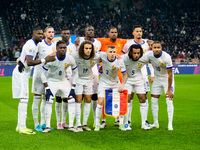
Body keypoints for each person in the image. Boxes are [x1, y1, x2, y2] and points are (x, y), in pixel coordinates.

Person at [12, 27, 55, 135]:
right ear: (33, 35)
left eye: (41, 34)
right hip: (21, 73)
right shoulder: (31, 45)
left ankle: (19, 125)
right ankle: (22, 127)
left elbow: (25, 58)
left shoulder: (33, 44)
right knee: (24, 99)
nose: (40, 35)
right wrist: (46, 59)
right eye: (38, 34)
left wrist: (20, 59)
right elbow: (30, 62)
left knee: (24, 99)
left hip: (24, 73)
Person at [41, 40, 79, 133]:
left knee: (72, 99)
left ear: (66, 49)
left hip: (63, 81)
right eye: (60, 48)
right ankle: (48, 126)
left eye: (64, 48)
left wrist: (73, 87)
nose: (62, 49)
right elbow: (42, 74)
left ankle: (71, 126)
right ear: (56, 49)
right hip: (52, 81)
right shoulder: (51, 58)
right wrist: (47, 88)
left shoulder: (69, 58)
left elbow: (76, 72)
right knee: (49, 100)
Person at [122, 25, 154, 127]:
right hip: (129, 75)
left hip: (143, 75)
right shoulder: (128, 44)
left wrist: (152, 74)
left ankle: (144, 121)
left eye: (140, 31)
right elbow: (121, 58)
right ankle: (128, 121)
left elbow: (151, 61)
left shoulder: (147, 45)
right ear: (133, 33)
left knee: (144, 97)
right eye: (137, 31)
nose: (139, 33)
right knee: (129, 98)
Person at [97, 27, 127, 128]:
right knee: (101, 101)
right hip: (104, 81)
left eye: (114, 52)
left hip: (116, 81)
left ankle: (118, 121)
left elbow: (125, 74)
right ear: (107, 52)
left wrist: (122, 84)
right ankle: (101, 122)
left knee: (118, 100)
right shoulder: (102, 54)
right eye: (110, 52)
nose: (112, 54)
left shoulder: (119, 59)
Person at [142, 41, 174, 130]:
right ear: (152, 48)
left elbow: (170, 74)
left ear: (161, 48)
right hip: (157, 79)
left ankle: (170, 124)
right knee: (153, 100)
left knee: (169, 100)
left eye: (158, 47)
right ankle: (155, 123)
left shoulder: (166, 57)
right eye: (155, 47)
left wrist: (169, 89)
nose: (156, 49)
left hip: (167, 79)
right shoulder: (149, 55)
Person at [75, 26, 101, 127]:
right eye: (88, 30)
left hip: (92, 74)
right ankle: (78, 123)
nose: (91, 32)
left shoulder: (98, 44)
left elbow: (104, 57)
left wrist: (102, 68)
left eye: (92, 30)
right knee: (78, 99)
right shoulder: (79, 42)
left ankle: (86, 123)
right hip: (79, 76)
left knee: (90, 98)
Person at [31, 26, 56, 131]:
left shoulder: (55, 45)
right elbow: (31, 56)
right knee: (36, 100)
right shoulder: (39, 45)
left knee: (46, 100)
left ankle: (43, 123)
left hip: (49, 76)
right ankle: (36, 124)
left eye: (53, 32)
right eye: (49, 32)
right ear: (45, 34)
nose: (51, 34)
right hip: (38, 75)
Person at [122, 44, 151, 130]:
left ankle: (143, 123)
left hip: (139, 79)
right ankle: (126, 123)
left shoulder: (144, 58)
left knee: (142, 98)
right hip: (128, 79)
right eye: (134, 53)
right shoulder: (124, 58)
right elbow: (114, 61)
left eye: (138, 53)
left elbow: (154, 62)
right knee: (127, 99)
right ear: (130, 52)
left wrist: (153, 74)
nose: (136, 55)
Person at [54, 27, 77, 130]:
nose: (66, 35)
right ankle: (58, 122)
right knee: (58, 98)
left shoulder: (73, 46)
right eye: (64, 33)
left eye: (68, 33)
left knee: (67, 98)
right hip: (59, 75)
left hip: (69, 75)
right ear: (61, 35)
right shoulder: (57, 46)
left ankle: (64, 121)